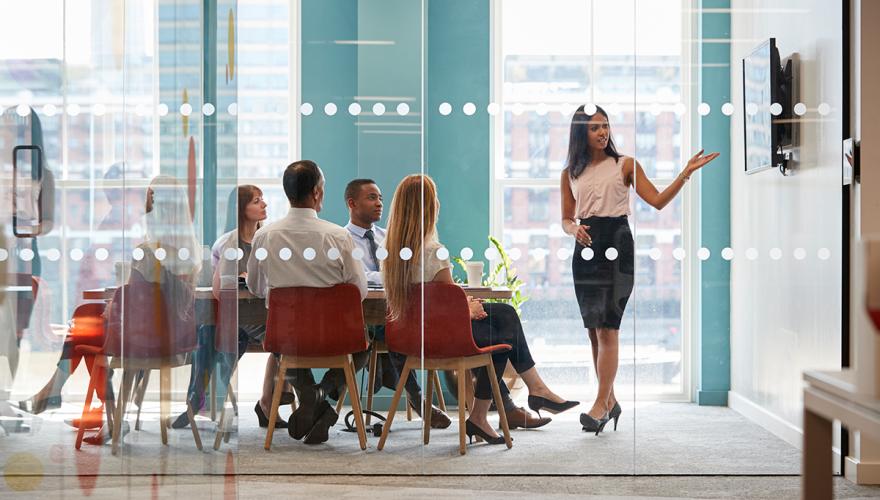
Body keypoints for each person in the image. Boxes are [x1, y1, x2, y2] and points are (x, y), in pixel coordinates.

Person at [383, 174, 577, 446]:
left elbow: (431, 303)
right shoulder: (434, 251)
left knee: (504, 314)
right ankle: (498, 408)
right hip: (441, 339)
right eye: (435, 200)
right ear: (430, 207)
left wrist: (465, 306)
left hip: (411, 338)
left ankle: (532, 392)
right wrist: (467, 308)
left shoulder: (391, 255)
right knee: (502, 334)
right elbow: (446, 307)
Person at [560, 104, 719, 434]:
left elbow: (658, 201)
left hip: (617, 245)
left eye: (605, 125)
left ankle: (600, 404)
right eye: (595, 127)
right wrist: (573, 229)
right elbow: (565, 217)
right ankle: (610, 401)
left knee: (608, 328)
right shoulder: (570, 173)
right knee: (593, 329)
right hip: (585, 248)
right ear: (581, 133)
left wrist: (685, 173)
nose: (603, 132)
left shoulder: (626, 164)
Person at [246, 160, 369, 445]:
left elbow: (256, 287)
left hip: (287, 338)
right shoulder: (338, 236)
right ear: (316, 192)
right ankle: (322, 394)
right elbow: (358, 292)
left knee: (282, 347)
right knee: (364, 345)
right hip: (336, 337)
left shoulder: (264, 236)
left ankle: (313, 398)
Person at [168, 185, 290, 430]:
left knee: (284, 338)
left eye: (262, 199)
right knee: (215, 332)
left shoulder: (268, 240)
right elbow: (218, 290)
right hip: (239, 316)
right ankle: (277, 397)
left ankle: (205, 401)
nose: (264, 204)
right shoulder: (228, 243)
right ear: (241, 209)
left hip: (266, 312)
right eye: (256, 200)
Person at [344, 178, 451, 429]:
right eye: (372, 197)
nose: (379, 203)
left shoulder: (390, 238)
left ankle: (416, 397)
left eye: (381, 198)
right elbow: (354, 278)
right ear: (352, 203)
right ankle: (417, 397)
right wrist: (392, 277)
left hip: (396, 313)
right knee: (378, 333)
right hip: (365, 316)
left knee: (395, 325)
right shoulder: (342, 239)